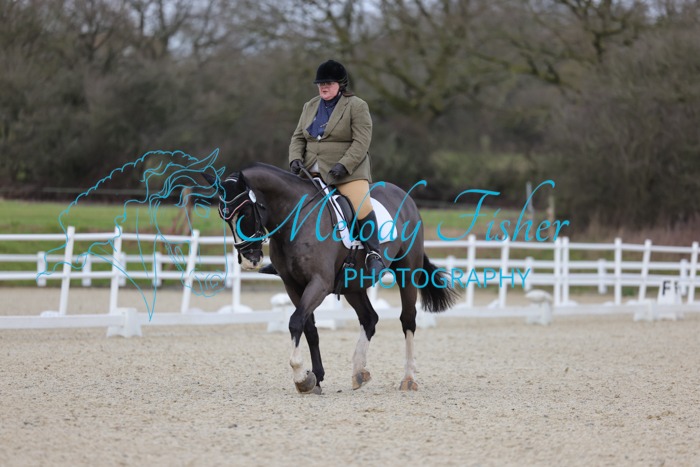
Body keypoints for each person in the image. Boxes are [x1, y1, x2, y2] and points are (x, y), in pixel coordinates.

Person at [289, 59, 384, 277]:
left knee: (360, 205)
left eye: (328, 83)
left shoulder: (357, 106)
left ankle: (373, 253)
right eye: (320, 83)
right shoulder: (310, 106)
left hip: (347, 172)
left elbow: (361, 142)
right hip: (310, 171)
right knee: (290, 205)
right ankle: (285, 257)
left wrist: (344, 164)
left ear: (340, 84)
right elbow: (297, 137)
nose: (323, 87)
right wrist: (294, 158)